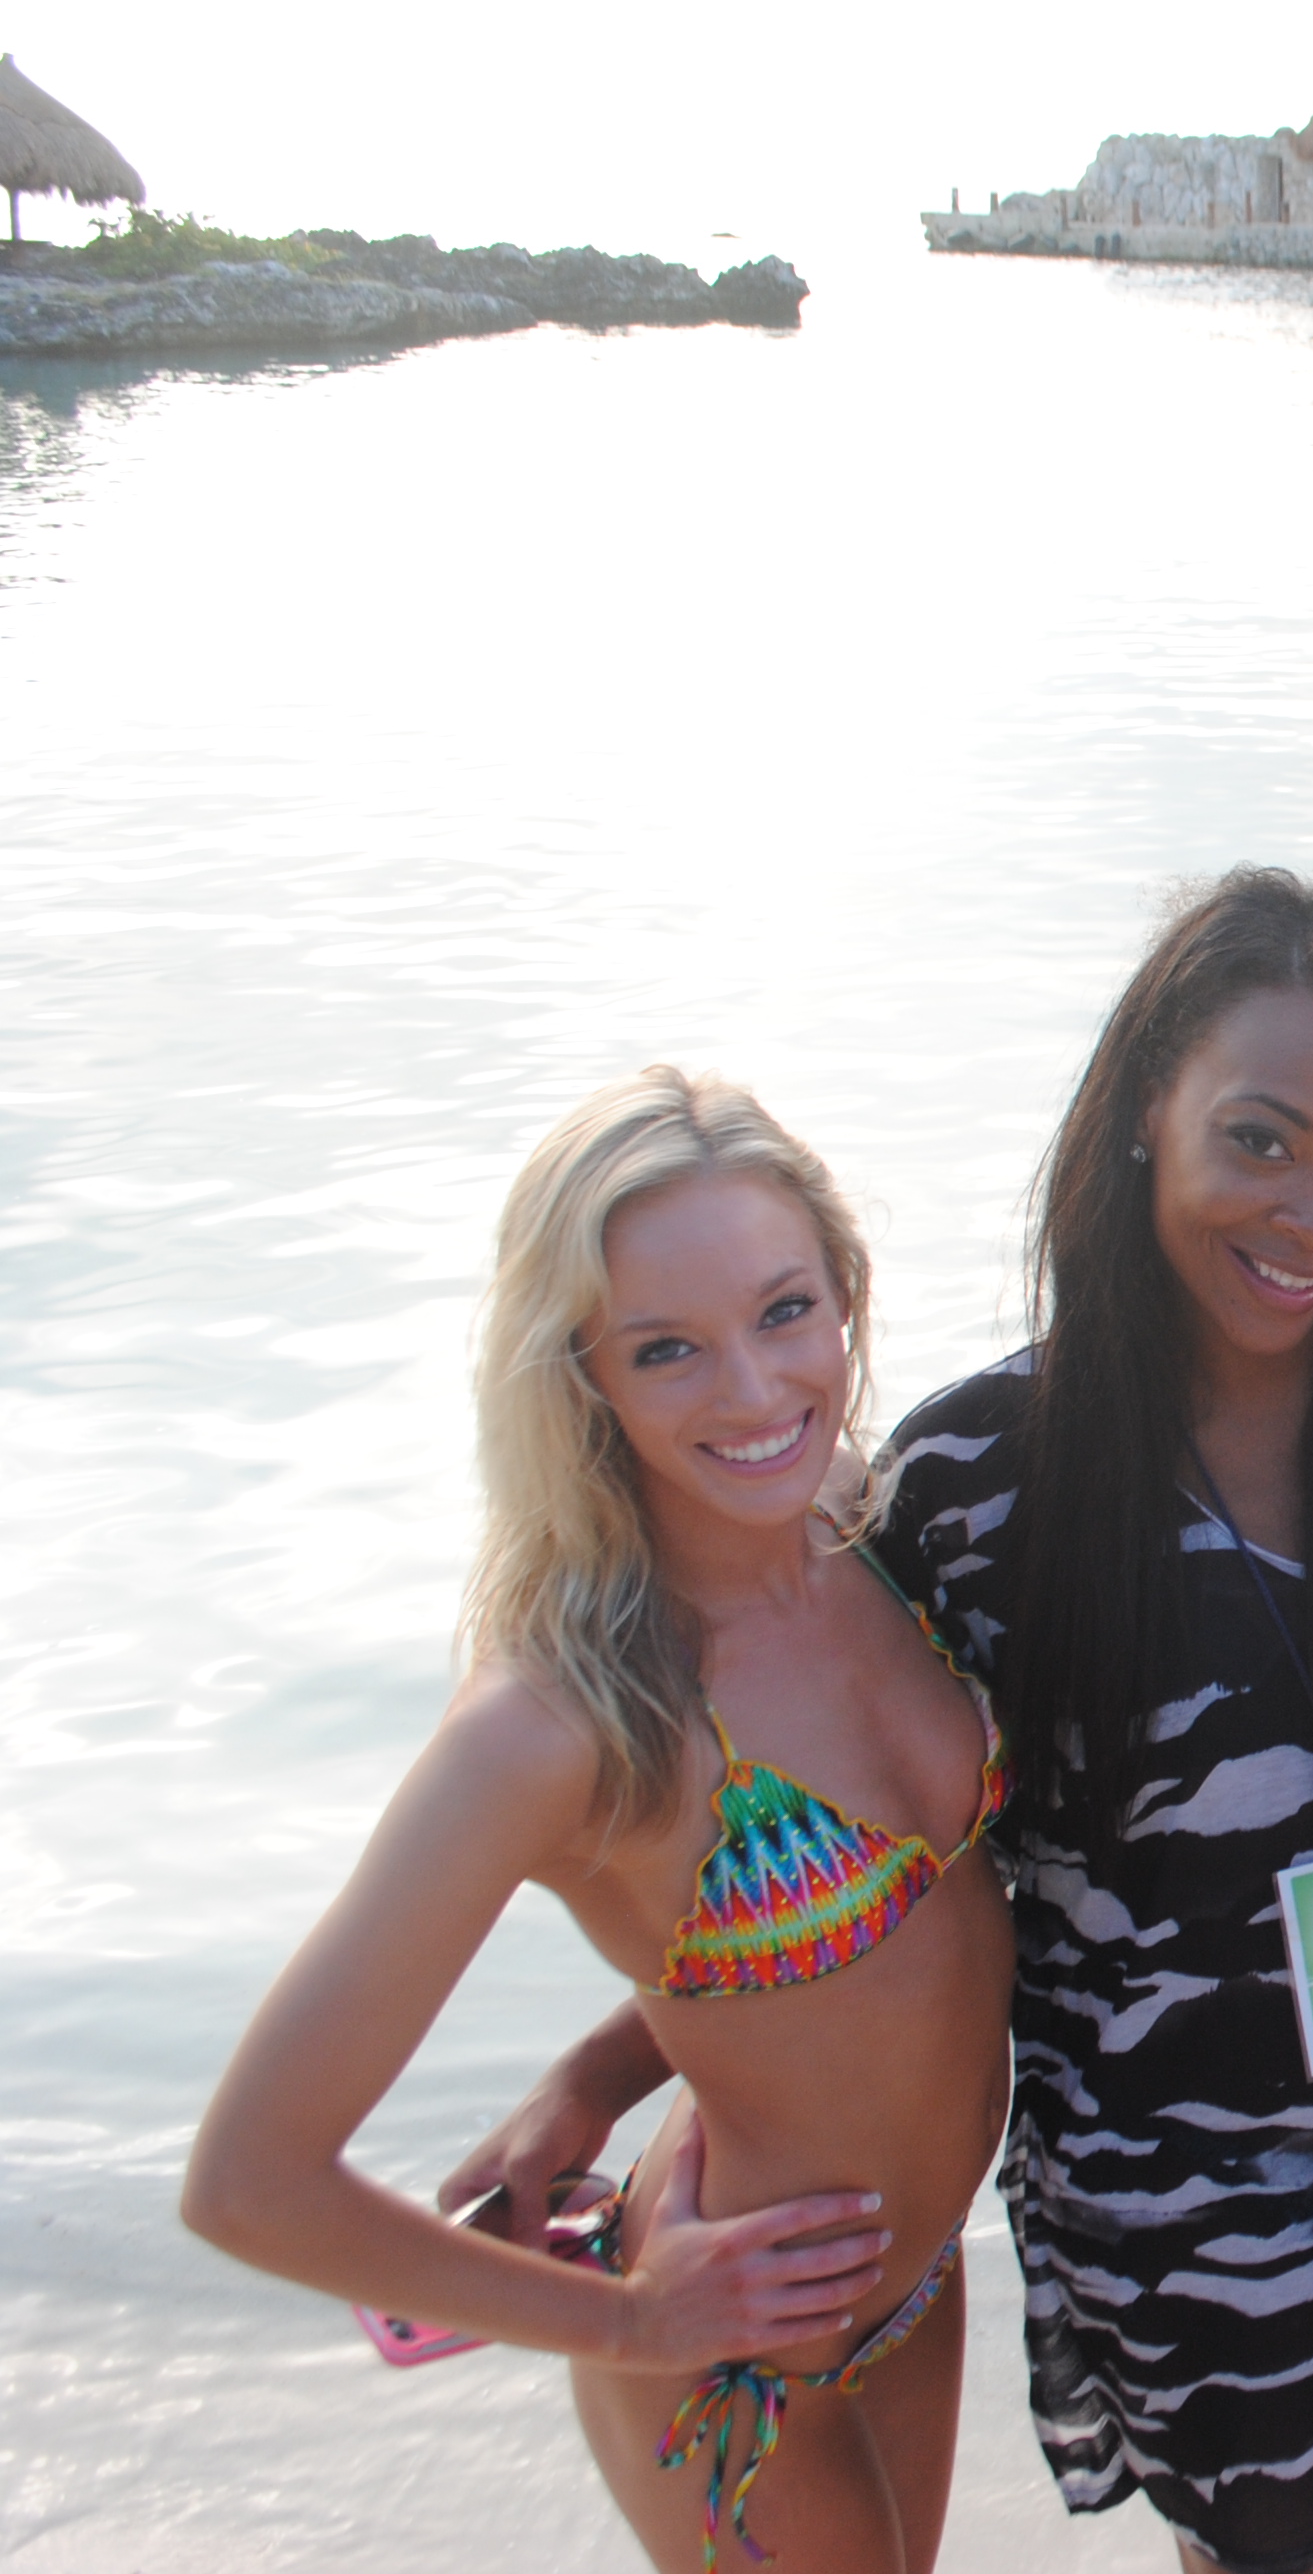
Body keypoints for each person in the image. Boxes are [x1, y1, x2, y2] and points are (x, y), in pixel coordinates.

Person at [482, 872, 1313, 2574]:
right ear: (1140, 1116)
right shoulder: (974, 1485)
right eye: (1261, 1139)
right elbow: (880, 1842)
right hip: (1182, 2203)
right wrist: (610, 2066)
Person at [184, 1067, 1011, 2574]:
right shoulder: (553, 1721)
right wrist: (631, 2321)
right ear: (583, 1377)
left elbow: (851, 1954)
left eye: (784, 1312)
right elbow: (250, 2180)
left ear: (847, 1295)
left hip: (903, 2286)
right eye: (666, 1350)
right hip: (735, 2373)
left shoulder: (863, 1527)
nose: (755, 1393)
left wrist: (594, 2065)